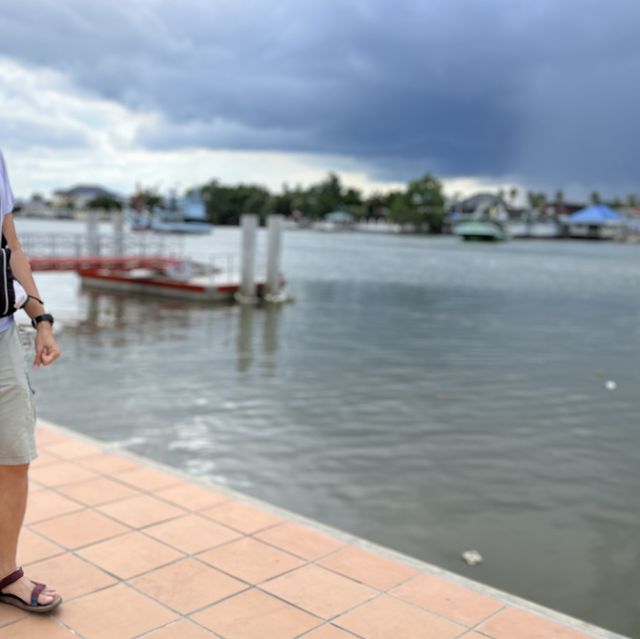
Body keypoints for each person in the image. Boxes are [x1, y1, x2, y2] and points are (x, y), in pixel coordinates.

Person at [0, 150, 62, 613]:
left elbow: (10, 249)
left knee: (14, 457)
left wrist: (40, 316)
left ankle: (5, 572)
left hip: (2, 336)